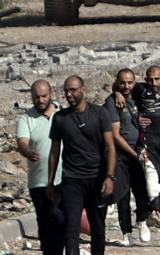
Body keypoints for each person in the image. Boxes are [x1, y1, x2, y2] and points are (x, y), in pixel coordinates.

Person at [47, 75, 116, 255]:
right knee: (71, 228)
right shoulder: (60, 118)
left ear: (83, 90)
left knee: (98, 229)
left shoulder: (100, 113)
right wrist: (50, 182)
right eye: (66, 91)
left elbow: (110, 147)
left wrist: (109, 176)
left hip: (96, 179)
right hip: (72, 180)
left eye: (73, 90)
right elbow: (54, 152)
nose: (69, 94)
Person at [103, 69, 152, 246]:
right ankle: (126, 232)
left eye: (130, 82)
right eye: (122, 83)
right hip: (122, 155)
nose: (126, 86)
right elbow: (115, 135)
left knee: (142, 190)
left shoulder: (139, 95)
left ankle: (143, 221)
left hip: (140, 150)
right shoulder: (112, 102)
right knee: (122, 194)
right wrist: (133, 154)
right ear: (117, 82)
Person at [15, 80, 64, 255]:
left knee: (61, 220)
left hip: (63, 179)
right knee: (45, 223)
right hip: (39, 182)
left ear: (51, 93)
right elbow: (22, 142)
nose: (41, 100)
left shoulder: (63, 113)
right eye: (37, 97)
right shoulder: (26, 119)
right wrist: (27, 152)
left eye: (44, 96)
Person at [135, 64, 160, 223]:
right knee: (151, 172)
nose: (154, 82)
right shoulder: (140, 90)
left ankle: (158, 209)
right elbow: (120, 84)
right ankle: (154, 212)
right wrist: (117, 93)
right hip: (148, 139)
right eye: (150, 79)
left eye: (157, 79)